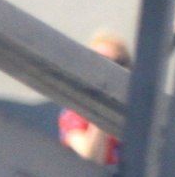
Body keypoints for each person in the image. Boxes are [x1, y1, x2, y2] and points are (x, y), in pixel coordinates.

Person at [57, 32, 132, 165]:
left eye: (117, 63)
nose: (106, 69)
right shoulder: (75, 113)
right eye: (97, 60)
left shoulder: (135, 114)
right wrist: (103, 107)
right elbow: (92, 159)